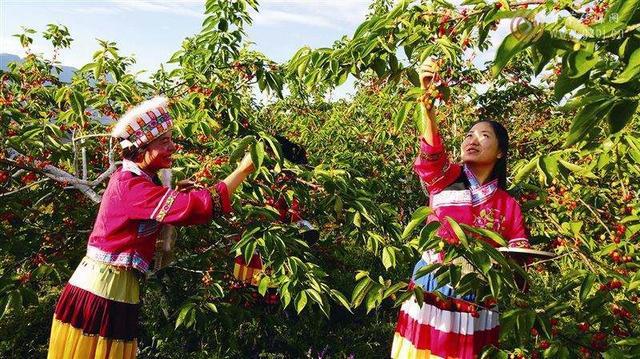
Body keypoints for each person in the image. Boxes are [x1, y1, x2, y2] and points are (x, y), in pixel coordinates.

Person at [47, 96, 255, 359]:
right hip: (103, 292)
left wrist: (171, 195)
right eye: (164, 141)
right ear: (142, 148)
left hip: (112, 287)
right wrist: (242, 170)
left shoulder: (139, 181)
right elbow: (195, 208)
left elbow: (156, 210)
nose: (173, 147)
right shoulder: (130, 185)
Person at [391, 59, 531, 359]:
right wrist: (427, 107)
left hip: (477, 296)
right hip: (434, 287)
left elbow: (519, 258)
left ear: (501, 152)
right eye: (469, 134)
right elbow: (431, 153)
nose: (472, 139)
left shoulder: (508, 205)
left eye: (484, 135)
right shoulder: (445, 177)